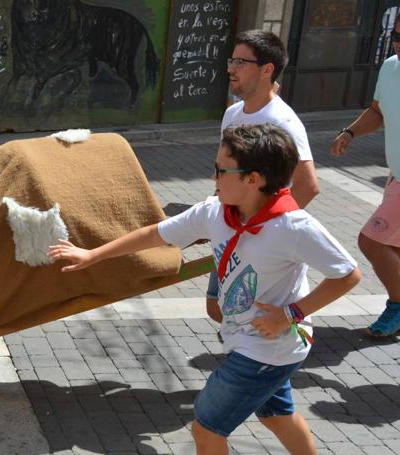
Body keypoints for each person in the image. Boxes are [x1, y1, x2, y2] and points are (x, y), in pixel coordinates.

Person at [49, 124, 360, 455]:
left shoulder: (294, 227)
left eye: (220, 171)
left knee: (207, 428)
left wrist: (290, 314)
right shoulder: (215, 212)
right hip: (249, 340)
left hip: (268, 349)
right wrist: (93, 255)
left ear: (253, 180)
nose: (213, 177)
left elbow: (348, 274)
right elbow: (155, 234)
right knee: (277, 417)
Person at [206, 30, 320, 324]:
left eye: (241, 62)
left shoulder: (282, 122)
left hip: (258, 242)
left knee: (252, 320)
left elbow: (307, 186)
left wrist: (266, 229)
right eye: (232, 60)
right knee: (217, 308)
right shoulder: (232, 114)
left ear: (267, 69)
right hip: (230, 230)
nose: (230, 69)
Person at [331, 15, 400, 338]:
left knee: (371, 240)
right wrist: (351, 132)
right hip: (395, 177)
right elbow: (378, 111)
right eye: (397, 36)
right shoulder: (390, 67)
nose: (399, 44)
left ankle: (399, 307)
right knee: (393, 249)